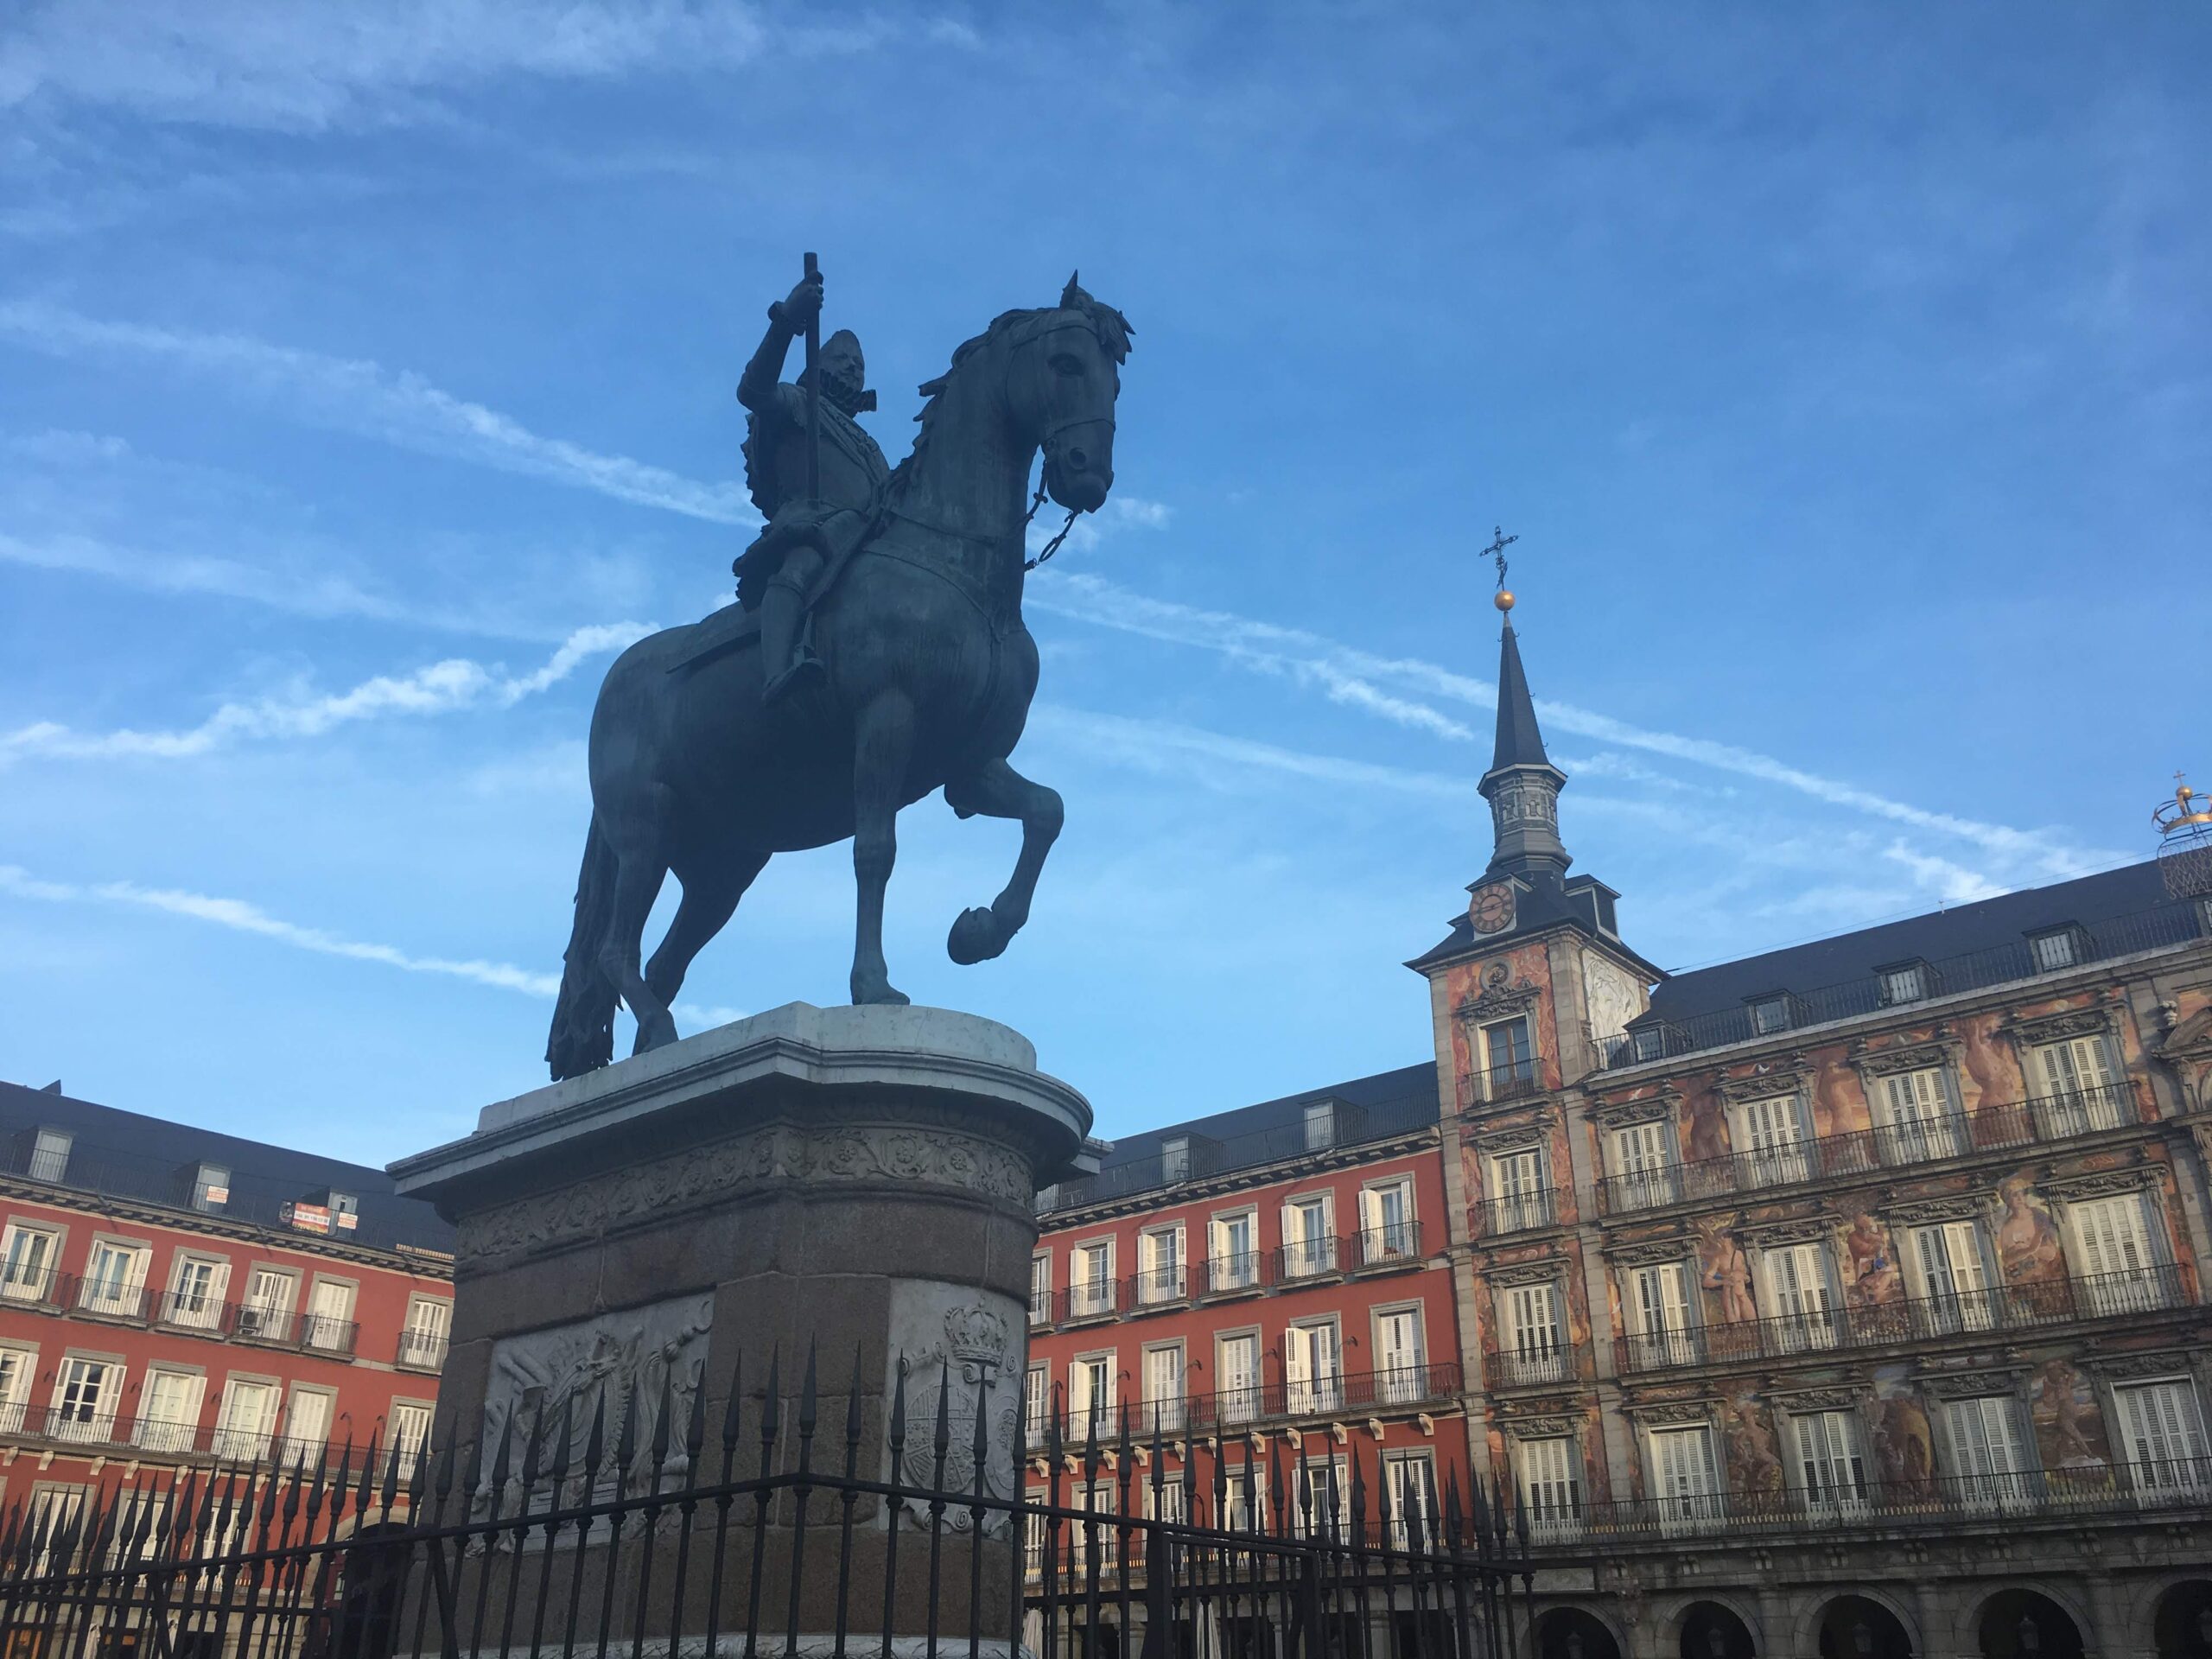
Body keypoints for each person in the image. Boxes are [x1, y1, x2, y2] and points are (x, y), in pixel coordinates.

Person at [734, 271, 891, 703]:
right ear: (817, 362)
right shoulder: (796, 403)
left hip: (867, 543)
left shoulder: (871, 446)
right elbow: (753, 389)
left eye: (859, 365)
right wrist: (786, 321)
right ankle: (777, 672)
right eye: (841, 357)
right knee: (802, 565)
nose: (853, 368)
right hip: (812, 526)